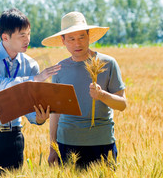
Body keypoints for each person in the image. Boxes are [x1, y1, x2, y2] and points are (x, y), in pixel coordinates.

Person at [0, 8, 61, 178]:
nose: (28, 40)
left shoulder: (30, 64)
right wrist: (35, 78)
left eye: (29, 34)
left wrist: (40, 118)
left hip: (13, 138)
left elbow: (29, 107)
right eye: (22, 35)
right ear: (5, 37)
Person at [42, 11, 127, 168]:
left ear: (89, 36)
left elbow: (122, 105)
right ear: (63, 41)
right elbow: (56, 113)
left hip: (102, 143)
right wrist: (53, 148)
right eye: (71, 39)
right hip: (67, 143)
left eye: (82, 37)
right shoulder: (59, 69)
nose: (77, 43)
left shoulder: (108, 63)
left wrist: (102, 95)